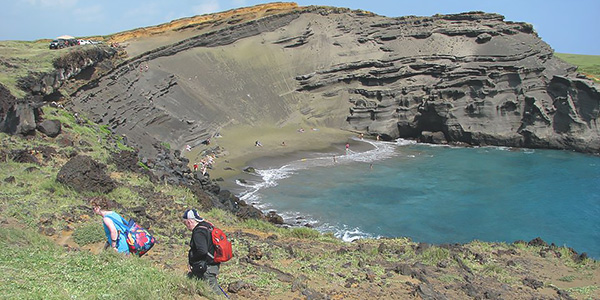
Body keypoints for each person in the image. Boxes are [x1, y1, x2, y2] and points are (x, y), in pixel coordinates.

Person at [183, 209, 223, 295]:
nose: (186, 226)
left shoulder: (198, 232)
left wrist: (192, 261)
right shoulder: (207, 226)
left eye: (185, 223)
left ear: (189, 222)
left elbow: (202, 251)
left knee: (216, 294)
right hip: (212, 264)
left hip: (207, 267)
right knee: (193, 280)